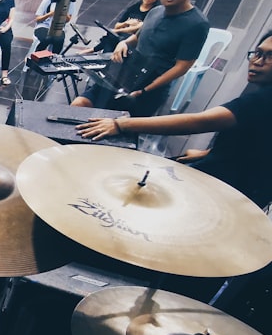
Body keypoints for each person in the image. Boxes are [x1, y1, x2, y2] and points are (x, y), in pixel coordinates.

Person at [75, 31, 272, 207]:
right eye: (257, 53)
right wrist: (209, 152)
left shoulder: (262, 99)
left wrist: (121, 124)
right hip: (246, 180)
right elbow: (259, 137)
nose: (258, 61)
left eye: (269, 56)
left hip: (232, 190)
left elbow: (201, 121)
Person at [71, 0, 209, 117]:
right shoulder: (155, 12)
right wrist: (124, 43)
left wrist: (146, 90)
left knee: (110, 130)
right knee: (78, 105)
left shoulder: (197, 24)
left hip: (148, 89)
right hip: (123, 76)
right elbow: (138, 37)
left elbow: (182, 67)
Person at [91, 0, 163, 53]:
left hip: (134, 39)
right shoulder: (134, 7)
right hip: (121, 36)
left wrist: (117, 31)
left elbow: (139, 28)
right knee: (111, 37)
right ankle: (99, 53)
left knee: (115, 37)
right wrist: (126, 23)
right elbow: (117, 25)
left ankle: (93, 50)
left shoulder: (154, 12)